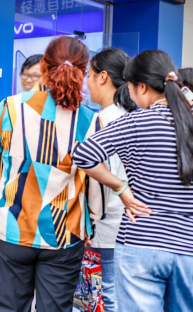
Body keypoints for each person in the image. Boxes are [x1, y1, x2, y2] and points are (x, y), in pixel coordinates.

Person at [0, 36, 106, 312]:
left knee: (8, 307)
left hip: (11, 227)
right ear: (83, 73)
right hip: (64, 233)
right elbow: (96, 181)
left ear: (44, 67)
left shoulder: (10, 107)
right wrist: (91, 220)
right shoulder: (90, 120)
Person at [73, 50, 193, 312]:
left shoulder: (137, 121)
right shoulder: (189, 122)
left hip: (141, 242)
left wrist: (120, 188)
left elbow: (83, 154)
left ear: (141, 87)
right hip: (187, 247)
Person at [85, 48, 136, 312]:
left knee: (104, 295)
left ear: (103, 77)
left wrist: (88, 223)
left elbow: (95, 175)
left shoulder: (102, 120)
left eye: (90, 75)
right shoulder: (134, 116)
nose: (87, 82)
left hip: (106, 222)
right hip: (130, 222)